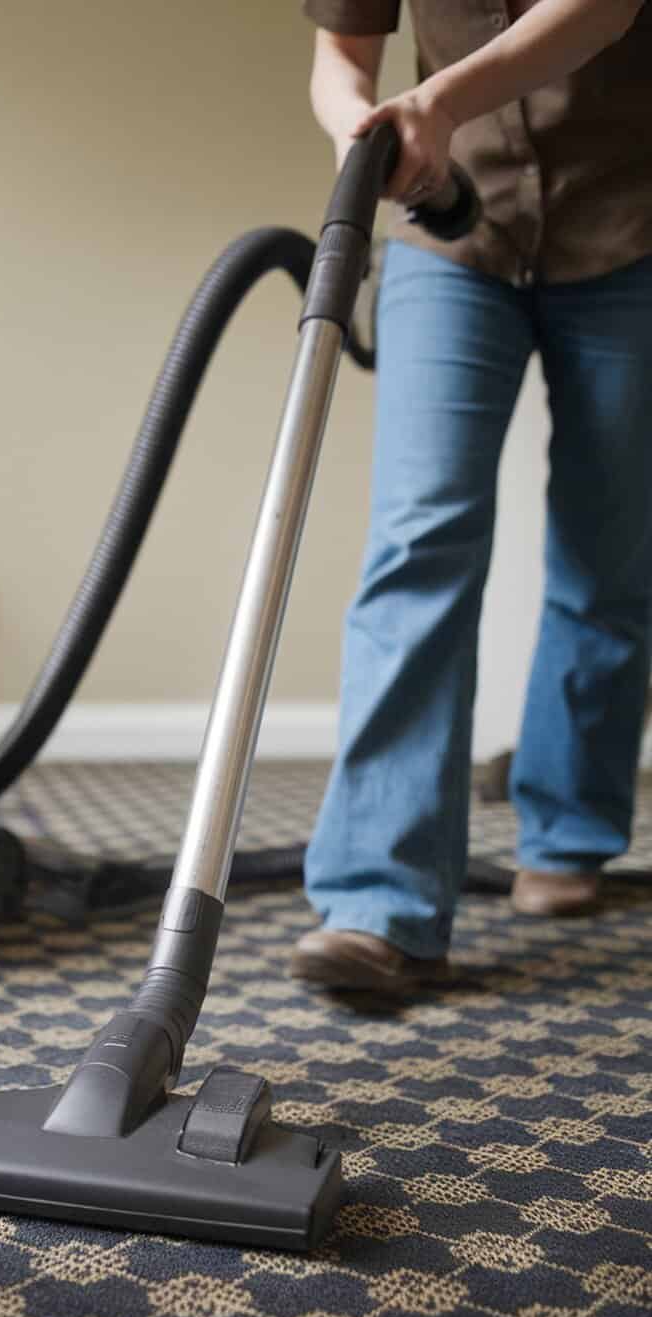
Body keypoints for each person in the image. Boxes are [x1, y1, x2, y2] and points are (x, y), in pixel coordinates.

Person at [293, 0, 652, 993]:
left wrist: (439, 105)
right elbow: (339, 54)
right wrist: (362, 132)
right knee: (420, 539)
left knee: (609, 548)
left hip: (631, 227)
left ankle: (567, 833)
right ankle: (378, 900)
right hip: (448, 242)